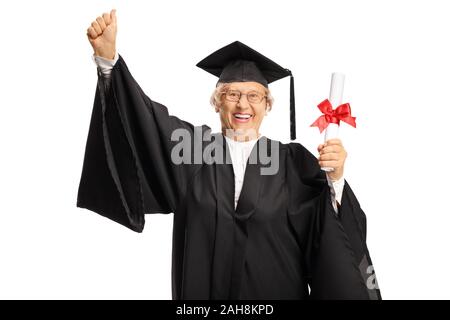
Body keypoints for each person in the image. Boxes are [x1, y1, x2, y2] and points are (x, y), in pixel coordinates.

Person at [77, 9, 381, 300]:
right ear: (217, 103)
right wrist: (108, 62)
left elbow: (330, 230)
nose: (242, 105)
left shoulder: (294, 162)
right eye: (231, 94)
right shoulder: (191, 150)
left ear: (267, 105)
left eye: (253, 96)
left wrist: (336, 179)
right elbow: (142, 119)